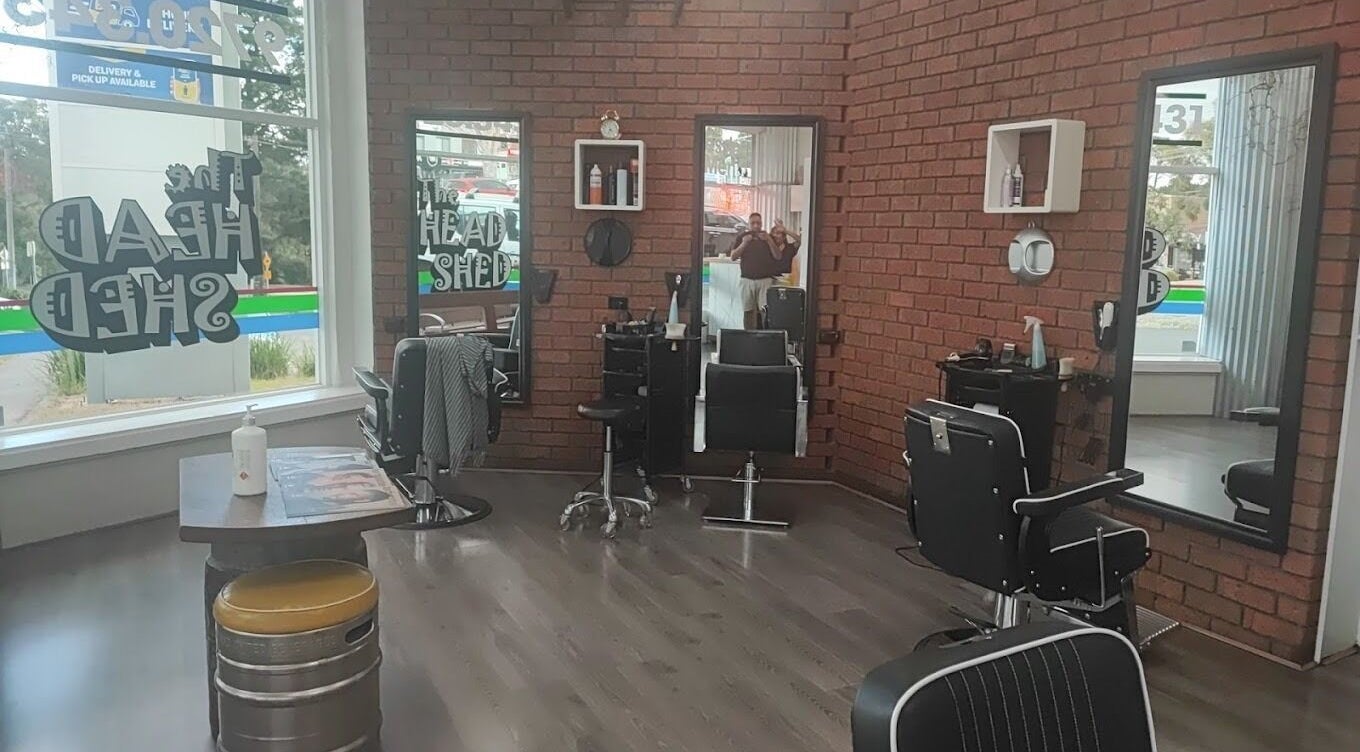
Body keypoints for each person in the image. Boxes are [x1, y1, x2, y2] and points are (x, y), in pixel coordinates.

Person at [729, 212, 781, 329]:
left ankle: (765, 337)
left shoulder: (768, 237)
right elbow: (733, 257)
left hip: (765, 280)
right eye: (753, 223)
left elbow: (778, 256)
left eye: (759, 223)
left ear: (762, 224)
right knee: (748, 311)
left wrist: (769, 240)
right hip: (747, 279)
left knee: (765, 312)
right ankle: (748, 338)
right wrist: (744, 243)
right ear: (748, 224)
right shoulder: (742, 237)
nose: (756, 226)